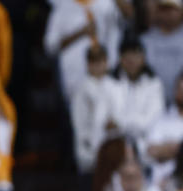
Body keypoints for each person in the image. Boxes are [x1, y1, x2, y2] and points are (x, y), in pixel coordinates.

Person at [71, 44, 120, 174]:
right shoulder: (81, 89)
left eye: (101, 61)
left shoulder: (116, 86)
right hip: (89, 151)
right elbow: (79, 122)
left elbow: (120, 115)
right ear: (87, 64)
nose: (97, 65)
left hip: (112, 150)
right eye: (93, 61)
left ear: (107, 62)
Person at [109, 35, 165, 145]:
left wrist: (121, 124)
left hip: (146, 143)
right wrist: (135, 122)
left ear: (143, 58)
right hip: (115, 143)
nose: (131, 61)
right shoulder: (109, 83)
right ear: (120, 59)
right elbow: (109, 120)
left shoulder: (154, 83)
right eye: (126, 57)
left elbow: (153, 119)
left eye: (135, 55)